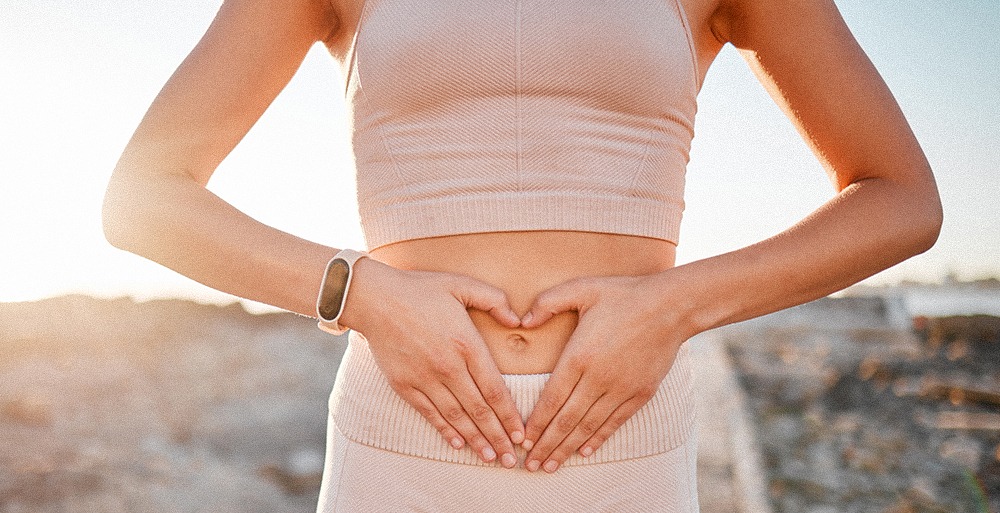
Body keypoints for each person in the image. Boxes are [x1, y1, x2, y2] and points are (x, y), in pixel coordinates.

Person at [102, 0, 942, 510]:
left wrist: (677, 306)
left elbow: (901, 196)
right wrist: (360, 293)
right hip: (401, 448)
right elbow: (143, 197)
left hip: (627, 450)